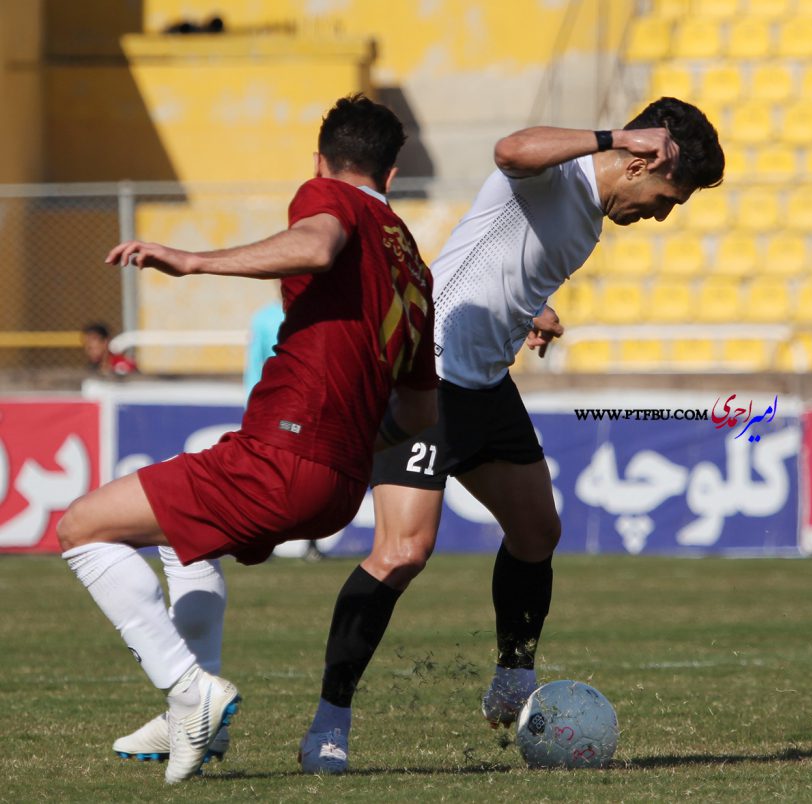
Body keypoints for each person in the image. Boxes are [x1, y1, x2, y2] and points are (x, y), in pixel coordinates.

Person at [296, 96, 725, 772]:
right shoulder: (558, 171)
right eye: (669, 197)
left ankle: (513, 676)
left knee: (537, 532)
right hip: (425, 375)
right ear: (640, 161)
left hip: (485, 384)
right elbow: (508, 150)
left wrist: (535, 311)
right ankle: (329, 721)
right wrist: (611, 134)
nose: (662, 214)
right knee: (402, 553)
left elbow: (498, 259)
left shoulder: (590, 221)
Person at [56, 93, 437, 784]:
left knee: (81, 528)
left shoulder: (329, 199)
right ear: (392, 173)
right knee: (181, 536)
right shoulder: (412, 264)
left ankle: (189, 690)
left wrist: (192, 261)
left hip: (286, 451)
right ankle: (188, 722)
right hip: (340, 482)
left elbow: (316, 244)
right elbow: (416, 413)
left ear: (323, 162)